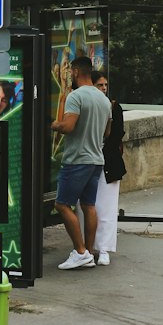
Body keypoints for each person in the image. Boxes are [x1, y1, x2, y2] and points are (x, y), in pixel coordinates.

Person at [51, 55, 111, 271]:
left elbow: (68, 126)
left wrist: (54, 124)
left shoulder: (76, 96)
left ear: (76, 72)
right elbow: (107, 131)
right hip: (96, 159)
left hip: (77, 159)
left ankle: (80, 251)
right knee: (88, 206)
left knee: (62, 205)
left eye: (71, 72)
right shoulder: (103, 99)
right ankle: (89, 252)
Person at [93, 73, 126, 267]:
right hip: (91, 159)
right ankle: (89, 246)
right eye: (99, 85)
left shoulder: (114, 107)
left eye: (105, 84)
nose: (104, 88)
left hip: (108, 162)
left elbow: (117, 134)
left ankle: (104, 249)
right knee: (88, 206)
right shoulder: (88, 105)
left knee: (106, 207)